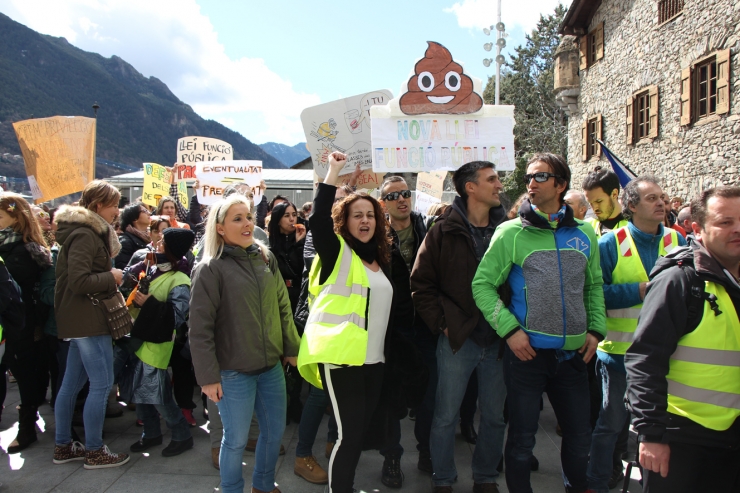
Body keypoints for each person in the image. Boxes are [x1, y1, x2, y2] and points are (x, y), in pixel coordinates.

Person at [472, 153, 607, 493]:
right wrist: (510, 331)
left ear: (561, 185)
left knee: (579, 439)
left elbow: (593, 286)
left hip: (573, 359)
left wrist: (595, 330)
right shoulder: (510, 233)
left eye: (541, 176)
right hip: (526, 358)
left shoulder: (585, 234)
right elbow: (482, 285)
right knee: (521, 441)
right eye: (529, 177)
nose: (531, 183)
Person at [626, 186, 740, 492]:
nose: (737, 229)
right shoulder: (680, 281)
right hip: (682, 440)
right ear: (698, 229)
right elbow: (644, 360)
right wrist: (651, 435)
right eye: (725, 222)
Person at [297, 151, 394, 493]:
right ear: (346, 222)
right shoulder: (338, 253)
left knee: (357, 435)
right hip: (343, 361)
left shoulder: (379, 260)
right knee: (349, 437)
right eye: (358, 216)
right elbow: (319, 218)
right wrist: (334, 170)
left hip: (374, 362)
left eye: (370, 215)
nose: (365, 221)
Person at [189, 194, 300, 493]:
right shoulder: (209, 268)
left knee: (274, 432)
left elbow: (283, 308)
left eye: (248, 217)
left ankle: (263, 486)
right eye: (237, 218)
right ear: (221, 228)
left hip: (270, 368)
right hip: (232, 372)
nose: (247, 223)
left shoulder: (266, 257)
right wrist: (208, 377)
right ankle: (231, 488)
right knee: (235, 440)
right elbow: (199, 329)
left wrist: (291, 348)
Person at [412, 161, 508, 493]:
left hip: (498, 340)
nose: (499, 185)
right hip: (458, 341)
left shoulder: (508, 230)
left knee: (495, 417)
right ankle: (444, 479)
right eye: (492, 179)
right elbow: (420, 284)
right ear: (470, 187)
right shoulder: (443, 230)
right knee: (445, 417)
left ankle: (485, 478)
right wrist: (444, 325)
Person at [586, 176, 684, 493]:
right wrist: (640, 291)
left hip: (665, 356)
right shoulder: (609, 244)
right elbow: (593, 295)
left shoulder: (678, 242)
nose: (661, 203)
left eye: (662, 197)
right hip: (617, 353)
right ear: (631, 206)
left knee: (657, 428)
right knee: (611, 425)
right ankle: (598, 481)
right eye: (652, 198)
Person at [53, 180, 130, 469]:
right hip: (88, 318)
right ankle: (95, 450)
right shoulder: (86, 234)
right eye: (114, 205)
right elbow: (79, 280)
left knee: (72, 383)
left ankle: (63, 446)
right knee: (101, 384)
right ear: (98, 206)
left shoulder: (82, 231)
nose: (117, 211)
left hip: (79, 318)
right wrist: (113, 276)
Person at [378, 175, 433, 486]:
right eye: (393, 195)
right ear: (384, 203)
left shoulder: (428, 229)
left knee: (429, 395)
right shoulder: (377, 237)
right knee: (392, 398)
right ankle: (392, 458)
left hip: (426, 326)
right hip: (393, 329)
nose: (401, 199)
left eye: (405, 193)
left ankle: (426, 451)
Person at [127, 228, 195, 457]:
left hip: (158, 345)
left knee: (159, 396)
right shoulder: (155, 269)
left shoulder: (180, 279)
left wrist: (147, 303)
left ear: (172, 250)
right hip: (141, 340)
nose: (157, 244)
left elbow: (177, 316)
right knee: (141, 393)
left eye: (163, 243)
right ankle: (151, 433)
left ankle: (181, 435)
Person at [0, 193, 52, 453]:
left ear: (15, 217)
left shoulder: (20, 252)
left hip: (22, 325)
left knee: (25, 375)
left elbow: (15, 295)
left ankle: (27, 427)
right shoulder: (11, 247)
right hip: (14, 326)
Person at [267, 201, 307, 314]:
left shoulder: (303, 240)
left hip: (299, 295)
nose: (292, 219)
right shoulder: (271, 244)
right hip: (278, 294)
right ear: (278, 220)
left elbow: (305, 269)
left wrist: (300, 243)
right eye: (286, 215)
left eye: (294, 215)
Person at [582, 167, 628, 237]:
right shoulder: (586, 227)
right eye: (590, 203)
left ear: (614, 194)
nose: (594, 208)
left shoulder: (635, 226)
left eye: (598, 201)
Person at [115, 203, 151, 269]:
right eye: (144, 211)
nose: (149, 213)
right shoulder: (125, 242)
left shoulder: (149, 237)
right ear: (135, 218)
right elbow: (123, 268)